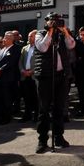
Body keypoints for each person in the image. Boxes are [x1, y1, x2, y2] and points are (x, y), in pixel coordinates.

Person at [33, 12, 75, 153]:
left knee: (59, 108)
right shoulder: (40, 34)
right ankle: (42, 140)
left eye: (57, 21)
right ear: (46, 21)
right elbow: (42, 47)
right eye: (52, 21)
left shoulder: (62, 35)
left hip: (61, 76)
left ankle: (58, 137)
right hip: (45, 77)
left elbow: (71, 45)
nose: (55, 23)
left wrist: (65, 32)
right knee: (44, 109)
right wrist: (50, 32)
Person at [0, 31, 21, 125]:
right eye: (4, 37)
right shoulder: (1, 50)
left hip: (8, 79)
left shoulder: (16, 49)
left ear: (11, 39)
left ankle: (6, 118)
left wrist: (0, 70)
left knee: (7, 99)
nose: (3, 39)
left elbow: (11, 62)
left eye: (5, 38)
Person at [19, 30, 39, 122]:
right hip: (25, 76)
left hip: (34, 76)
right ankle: (27, 115)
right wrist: (23, 70)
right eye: (28, 36)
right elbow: (20, 61)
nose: (29, 38)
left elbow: (40, 62)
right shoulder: (24, 48)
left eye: (31, 36)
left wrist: (32, 71)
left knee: (35, 97)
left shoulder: (39, 48)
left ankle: (36, 115)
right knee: (26, 97)